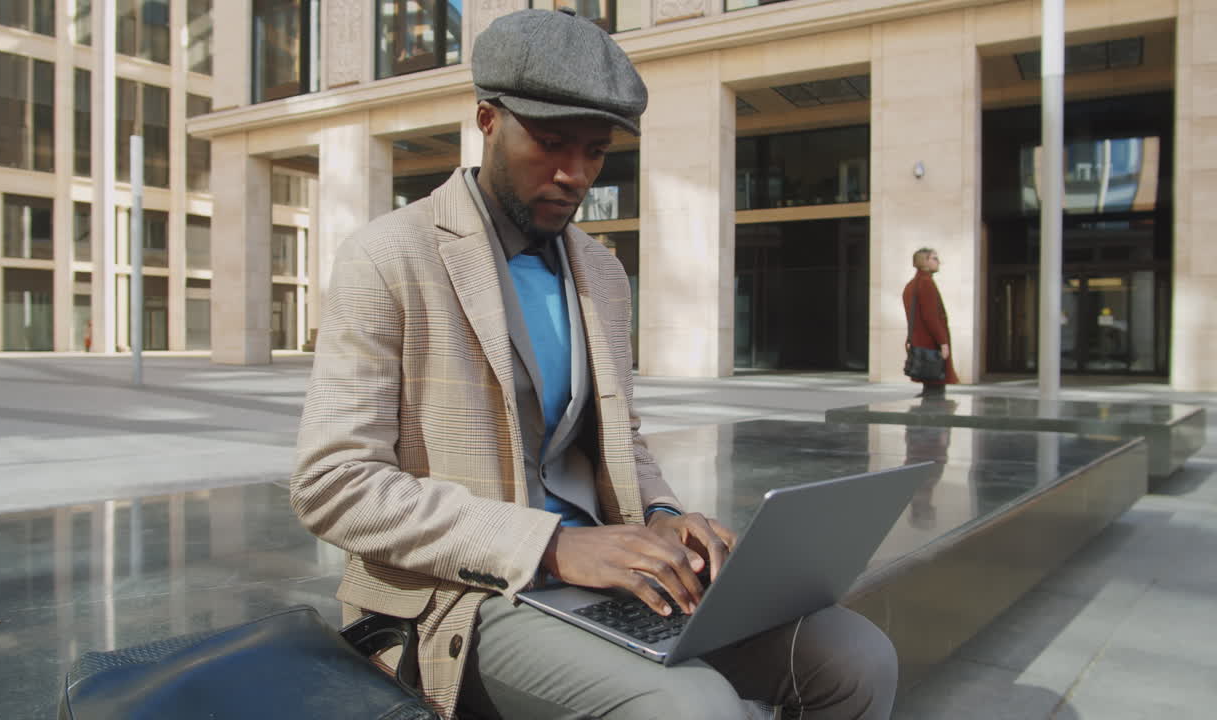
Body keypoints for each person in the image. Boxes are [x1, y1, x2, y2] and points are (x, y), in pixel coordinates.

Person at [292, 9, 897, 719]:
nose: (573, 175)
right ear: (488, 120)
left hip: (603, 577)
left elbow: (621, 438)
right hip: (462, 595)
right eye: (549, 144)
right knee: (693, 709)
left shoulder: (602, 275)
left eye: (596, 152)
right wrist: (550, 546)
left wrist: (666, 515)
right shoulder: (389, 256)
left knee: (855, 659)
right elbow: (334, 484)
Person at [902, 248, 959, 397]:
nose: (939, 262)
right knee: (935, 389)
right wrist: (943, 342)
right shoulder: (926, 283)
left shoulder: (911, 285)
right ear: (924, 262)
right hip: (931, 346)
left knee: (929, 388)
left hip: (920, 345)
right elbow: (931, 317)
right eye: (934, 258)